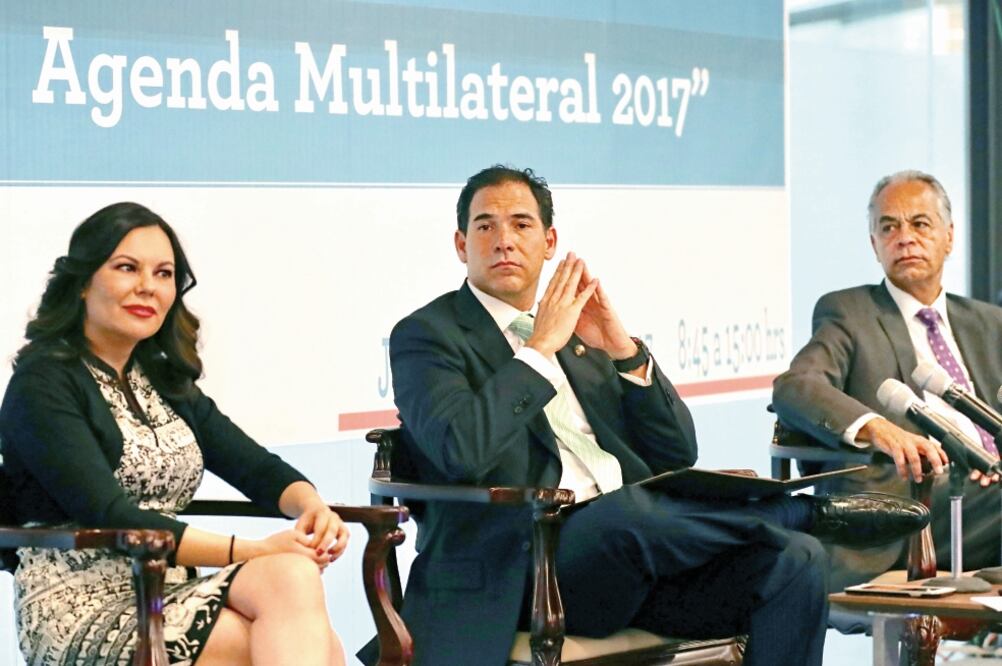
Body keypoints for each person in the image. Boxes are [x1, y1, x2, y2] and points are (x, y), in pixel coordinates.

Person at [369, 165, 929, 666]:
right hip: (522, 571)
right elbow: (458, 450)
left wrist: (622, 350)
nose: (503, 241)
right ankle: (804, 512)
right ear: (461, 244)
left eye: (520, 224)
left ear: (549, 242)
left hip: (630, 564)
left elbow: (676, 453)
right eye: (485, 227)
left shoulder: (579, 335)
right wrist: (536, 353)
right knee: (628, 511)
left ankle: (799, 527)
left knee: (795, 562)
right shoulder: (427, 336)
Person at [0, 202, 349, 665]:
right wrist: (254, 550)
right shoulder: (43, 383)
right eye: (127, 268)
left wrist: (311, 505)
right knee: (297, 629)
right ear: (83, 282)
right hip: (80, 603)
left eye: (164, 274)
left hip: (168, 587)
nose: (148, 286)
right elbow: (110, 513)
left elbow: (255, 466)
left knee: (293, 581)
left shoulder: (163, 379)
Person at [773, 169, 1002, 597]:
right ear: (874, 244)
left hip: (989, 500)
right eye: (888, 226)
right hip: (914, 505)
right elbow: (796, 386)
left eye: (919, 223)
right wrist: (876, 427)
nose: (905, 237)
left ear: (949, 237)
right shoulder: (848, 311)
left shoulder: (988, 323)